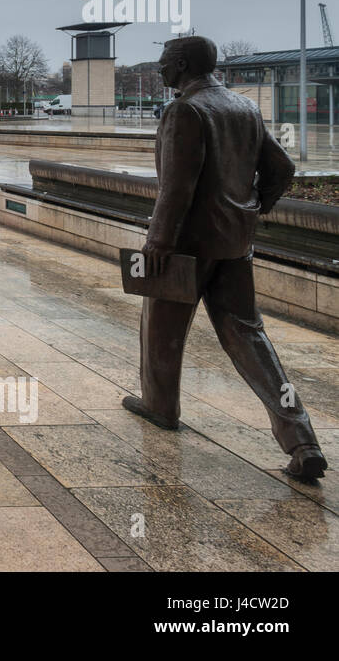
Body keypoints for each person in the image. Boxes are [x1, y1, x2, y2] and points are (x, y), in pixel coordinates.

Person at [124, 35, 327, 481]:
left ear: (180, 64)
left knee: (161, 329)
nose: (159, 71)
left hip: (187, 247)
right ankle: (301, 438)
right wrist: (251, 208)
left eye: (163, 64)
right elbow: (282, 169)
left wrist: (158, 240)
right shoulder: (243, 107)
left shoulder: (187, 110)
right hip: (234, 245)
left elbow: (178, 187)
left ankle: (160, 406)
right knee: (250, 338)